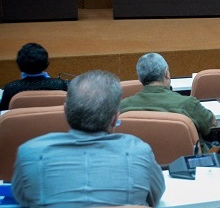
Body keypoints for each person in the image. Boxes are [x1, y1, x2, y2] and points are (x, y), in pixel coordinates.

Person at [12, 70, 165, 207]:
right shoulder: (139, 150)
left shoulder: (28, 153)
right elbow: (155, 197)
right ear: (114, 118)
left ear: (65, 111)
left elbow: (24, 200)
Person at [120, 53, 216, 151]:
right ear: (166, 73)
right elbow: (210, 122)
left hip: (141, 164)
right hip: (185, 164)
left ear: (140, 78)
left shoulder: (122, 107)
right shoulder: (188, 104)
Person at [1, 42, 68, 110]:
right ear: (46, 62)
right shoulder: (60, 85)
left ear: (19, 64)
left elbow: (3, 112)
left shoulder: (11, 88)